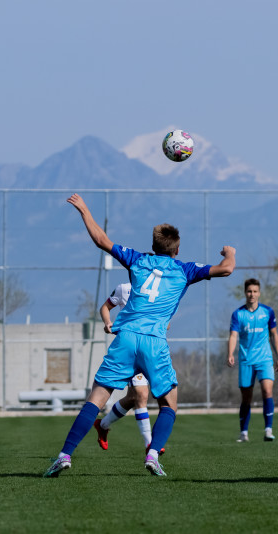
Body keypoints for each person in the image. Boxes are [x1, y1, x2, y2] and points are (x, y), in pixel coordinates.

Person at [44, 193, 235, 478]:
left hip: (126, 337)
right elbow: (227, 269)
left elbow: (101, 240)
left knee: (96, 399)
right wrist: (229, 252)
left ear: (153, 246)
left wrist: (84, 209)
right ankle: (153, 454)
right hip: (154, 342)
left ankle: (64, 455)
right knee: (169, 403)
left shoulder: (137, 260)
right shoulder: (184, 270)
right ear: (177, 249)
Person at [93, 282, 164, 455]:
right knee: (142, 394)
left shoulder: (160, 290)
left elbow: (165, 321)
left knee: (133, 398)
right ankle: (149, 444)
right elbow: (105, 307)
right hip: (130, 348)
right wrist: (108, 323)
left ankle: (102, 425)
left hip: (149, 348)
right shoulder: (124, 288)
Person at [227, 278, 278, 443]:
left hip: (265, 359)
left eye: (255, 291)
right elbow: (233, 335)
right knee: (246, 397)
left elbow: (274, 335)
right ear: (245, 293)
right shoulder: (238, 314)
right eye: (249, 291)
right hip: (246, 360)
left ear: (259, 293)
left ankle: (268, 430)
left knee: (267, 391)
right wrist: (230, 353)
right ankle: (243, 432)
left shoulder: (267, 312)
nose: (252, 294)